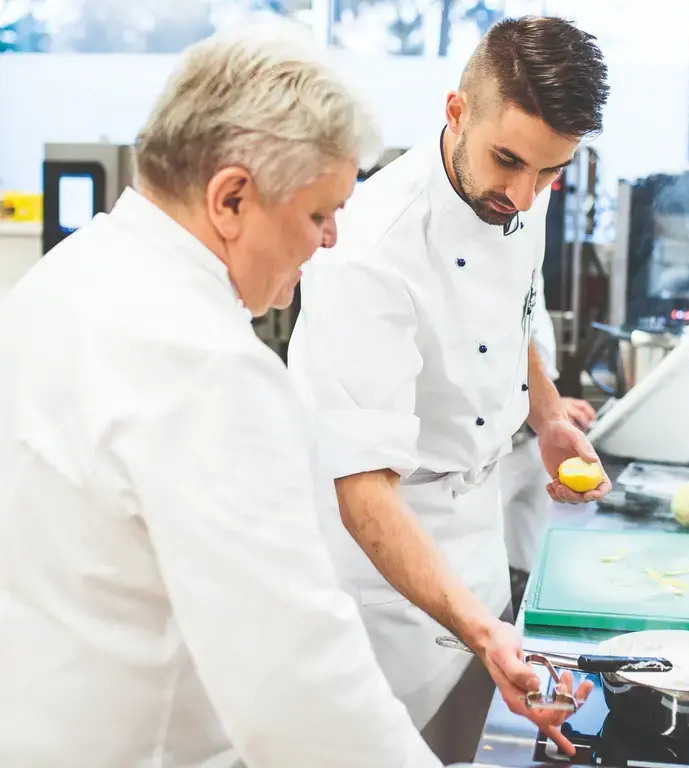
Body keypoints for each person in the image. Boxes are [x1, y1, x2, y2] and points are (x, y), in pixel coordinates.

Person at [0, 25, 444, 768]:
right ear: (232, 198)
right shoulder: (208, 368)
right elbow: (302, 697)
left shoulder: (61, 277)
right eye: (317, 213)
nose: (333, 239)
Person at [288, 15, 611, 765]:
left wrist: (550, 413)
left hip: (477, 547)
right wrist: (482, 629)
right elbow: (363, 490)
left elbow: (513, 310)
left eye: (551, 173)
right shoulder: (370, 251)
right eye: (510, 162)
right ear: (456, 111)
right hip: (383, 589)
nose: (527, 196)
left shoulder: (517, 188)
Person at [502, 287, 598, 613]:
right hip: (492, 448)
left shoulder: (527, 241)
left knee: (528, 551)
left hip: (529, 436)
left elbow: (523, 337)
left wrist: (549, 412)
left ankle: (527, 604)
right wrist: (543, 414)